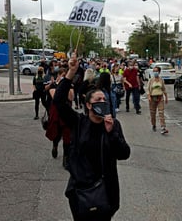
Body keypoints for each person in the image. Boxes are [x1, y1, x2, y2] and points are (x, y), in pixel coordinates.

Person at [53, 52, 130, 221]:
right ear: (88, 105)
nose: (102, 102)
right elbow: (58, 102)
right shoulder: (78, 122)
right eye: (98, 100)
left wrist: (112, 134)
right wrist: (70, 74)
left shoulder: (113, 124)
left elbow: (124, 153)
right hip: (81, 189)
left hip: (105, 190)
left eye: (104, 99)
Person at [146, 66, 168, 134]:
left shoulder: (161, 80)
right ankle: (153, 124)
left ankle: (163, 127)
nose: (155, 72)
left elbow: (163, 89)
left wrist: (166, 97)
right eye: (154, 71)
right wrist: (149, 96)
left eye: (156, 71)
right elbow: (148, 89)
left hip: (160, 98)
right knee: (153, 113)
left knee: (161, 112)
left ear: (159, 72)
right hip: (152, 98)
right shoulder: (151, 80)